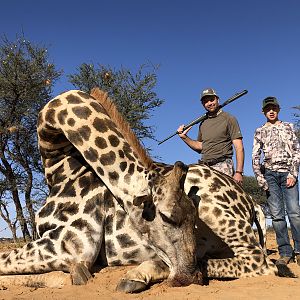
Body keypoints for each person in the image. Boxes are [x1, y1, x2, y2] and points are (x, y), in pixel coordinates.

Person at [252, 96, 300, 266]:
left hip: (287, 172)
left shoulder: (288, 127)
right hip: (270, 175)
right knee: (277, 217)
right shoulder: (259, 131)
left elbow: (296, 151)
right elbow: (255, 156)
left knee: (294, 213)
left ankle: (299, 251)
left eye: (273, 108)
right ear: (263, 111)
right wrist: (260, 177)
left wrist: (293, 174)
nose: (271, 111)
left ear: (278, 109)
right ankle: (285, 253)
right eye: (267, 109)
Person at [177, 88, 244, 184]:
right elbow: (200, 147)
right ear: (203, 104)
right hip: (205, 167)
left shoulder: (229, 119)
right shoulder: (203, 123)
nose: (209, 103)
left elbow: (239, 148)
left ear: (217, 99)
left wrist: (239, 172)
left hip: (223, 165)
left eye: (211, 100)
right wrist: (184, 138)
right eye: (205, 102)